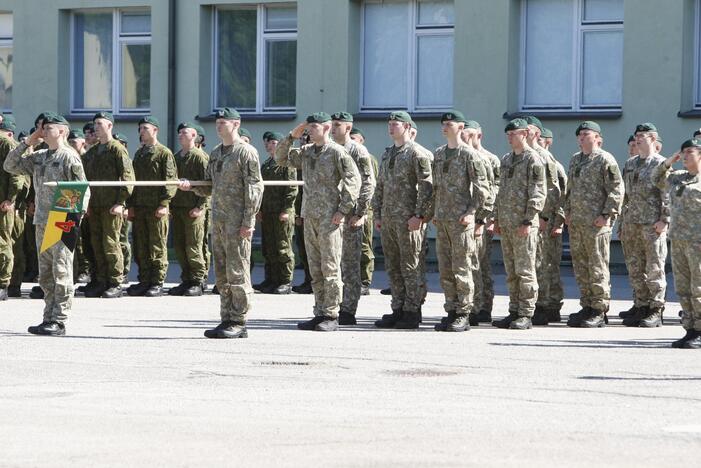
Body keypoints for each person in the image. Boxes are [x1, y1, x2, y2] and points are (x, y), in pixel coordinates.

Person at [180, 107, 264, 338]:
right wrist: (192, 185)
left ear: (236, 124)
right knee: (222, 274)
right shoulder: (216, 152)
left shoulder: (246, 152)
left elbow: (254, 188)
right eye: (217, 122)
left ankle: (239, 320)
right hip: (219, 221)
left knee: (238, 272)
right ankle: (226, 318)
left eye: (223, 123)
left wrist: (248, 221)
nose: (219, 126)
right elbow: (210, 185)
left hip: (237, 221)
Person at [3, 114, 89, 335]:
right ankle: (47, 317)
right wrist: (28, 142)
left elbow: (82, 189)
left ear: (62, 131)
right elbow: (10, 165)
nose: (42, 131)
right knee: (46, 273)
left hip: (63, 217)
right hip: (42, 220)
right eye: (40, 128)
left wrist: (71, 218)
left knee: (61, 270)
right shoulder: (39, 156)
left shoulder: (69, 157)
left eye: (47, 128)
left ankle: (59, 320)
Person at [276, 112, 361, 331]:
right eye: (308, 128)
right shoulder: (306, 152)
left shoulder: (336, 152)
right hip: (310, 216)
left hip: (329, 217)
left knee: (330, 267)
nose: (309, 131)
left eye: (313, 127)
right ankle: (319, 311)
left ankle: (332, 314)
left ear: (325, 128)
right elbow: (281, 158)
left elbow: (354, 181)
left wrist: (343, 210)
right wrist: (291, 136)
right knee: (315, 268)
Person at [430, 111, 490, 332]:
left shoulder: (469, 155)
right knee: (445, 268)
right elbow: (435, 187)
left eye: (449, 124)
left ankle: (464, 312)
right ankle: (451, 310)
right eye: (443, 124)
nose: (445, 127)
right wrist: (433, 211)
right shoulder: (439, 154)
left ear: (460, 128)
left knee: (462, 267)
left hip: (461, 221)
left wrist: (472, 211)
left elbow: (483, 188)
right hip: (443, 219)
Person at [373, 111, 433, 329]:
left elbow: (427, 188)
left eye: (396, 124)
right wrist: (378, 214)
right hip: (390, 219)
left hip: (409, 220)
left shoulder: (418, 154)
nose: (391, 127)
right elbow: (380, 185)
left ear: (408, 127)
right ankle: (397, 308)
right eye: (389, 124)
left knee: (411, 266)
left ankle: (412, 310)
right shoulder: (388, 153)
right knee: (393, 266)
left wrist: (419, 216)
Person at [564, 121, 624, 328]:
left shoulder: (605, 159)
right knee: (581, 267)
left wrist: (607, 214)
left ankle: (599, 309)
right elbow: (569, 189)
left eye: (586, 134)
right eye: (579, 134)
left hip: (596, 223)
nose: (581, 137)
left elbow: (617, 189)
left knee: (597, 266)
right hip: (578, 223)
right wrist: (568, 212)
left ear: (598, 138)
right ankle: (587, 306)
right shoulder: (575, 160)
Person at [491, 118, 546, 330]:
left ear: (524, 134)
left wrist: (528, 219)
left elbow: (538, 192)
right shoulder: (506, 160)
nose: (510, 138)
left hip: (524, 224)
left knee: (525, 270)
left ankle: (526, 313)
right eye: (508, 134)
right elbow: (501, 191)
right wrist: (497, 218)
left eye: (513, 134)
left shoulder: (533, 159)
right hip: (507, 223)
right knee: (511, 271)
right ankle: (513, 310)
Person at [619, 123, 669, 327]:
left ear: (653, 140)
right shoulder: (630, 164)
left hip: (652, 224)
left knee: (655, 267)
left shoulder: (661, 164)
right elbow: (625, 196)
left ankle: (656, 309)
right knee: (635, 267)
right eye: (636, 135)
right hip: (632, 224)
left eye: (643, 136)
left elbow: (668, 195)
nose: (638, 139)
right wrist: (622, 223)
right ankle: (641, 306)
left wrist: (664, 220)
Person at [652, 139, 701, 348]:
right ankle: (690, 329)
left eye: (690, 152)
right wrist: (669, 161)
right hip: (679, 240)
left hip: (698, 242)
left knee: (698, 287)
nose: (685, 156)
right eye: (683, 152)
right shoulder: (678, 178)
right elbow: (656, 178)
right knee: (683, 287)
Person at [82, 112, 135, 298]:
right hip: (95, 205)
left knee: (111, 243)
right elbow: (85, 179)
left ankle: (115, 281)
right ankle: (101, 280)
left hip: (111, 206)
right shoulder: (93, 152)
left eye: (99, 124)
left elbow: (128, 178)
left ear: (110, 126)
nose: (96, 127)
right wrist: (86, 203)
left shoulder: (117, 149)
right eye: (95, 124)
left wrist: (121, 202)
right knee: (96, 244)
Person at [330, 112, 376, 324]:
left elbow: (368, 183)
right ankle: (330, 307)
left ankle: (348, 310)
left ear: (348, 128)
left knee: (349, 264)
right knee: (331, 264)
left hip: (350, 216)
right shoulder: (329, 149)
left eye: (337, 125)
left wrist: (360, 213)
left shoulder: (357, 151)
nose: (332, 128)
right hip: (330, 216)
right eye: (332, 124)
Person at [126, 116, 177, 297]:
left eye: (145, 128)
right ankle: (144, 280)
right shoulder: (139, 153)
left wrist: (164, 203)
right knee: (141, 245)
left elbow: (171, 180)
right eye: (140, 129)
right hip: (140, 207)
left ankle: (157, 282)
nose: (142, 132)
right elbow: (133, 181)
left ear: (155, 130)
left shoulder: (164, 153)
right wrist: (130, 205)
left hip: (156, 207)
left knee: (156, 245)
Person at [524, 116, 566, 325]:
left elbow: (554, 191)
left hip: (543, 220)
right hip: (528, 220)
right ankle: (534, 304)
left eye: (528, 129)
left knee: (544, 264)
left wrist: (547, 217)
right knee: (531, 264)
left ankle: (546, 305)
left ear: (537, 134)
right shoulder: (523, 156)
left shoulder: (544, 157)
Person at [461, 120, 500, 324]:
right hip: (462, 219)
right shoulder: (461, 156)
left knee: (481, 265)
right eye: (464, 134)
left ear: (479, 136)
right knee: (467, 264)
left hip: (481, 220)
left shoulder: (490, 159)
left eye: (470, 134)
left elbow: (495, 190)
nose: (466, 138)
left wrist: (489, 219)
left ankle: (484, 305)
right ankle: (471, 305)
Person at [169, 122, 210, 297]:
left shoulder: (199, 157)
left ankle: (198, 280)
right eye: (179, 132)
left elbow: (208, 184)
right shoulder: (177, 157)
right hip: (178, 207)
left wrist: (200, 206)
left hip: (193, 207)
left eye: (184, 132)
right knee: (179, 245)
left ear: (194, 136)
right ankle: (186, 279)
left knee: (194, 245)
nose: (180, 135)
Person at [255, 131, 297, 295]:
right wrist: (259, 209)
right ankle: (271, 279)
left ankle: (285, 281)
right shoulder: (266, 164)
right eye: (266, 142)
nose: (268, 145)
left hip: (281, 211)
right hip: (267, 211)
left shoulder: (287, 163)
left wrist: (286, 209)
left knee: (282, 247)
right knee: (269, 247)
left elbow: (292, 188)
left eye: (272, 142)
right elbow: (260, 189)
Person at [350, 127, 378, 295]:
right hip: (348, 207)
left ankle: (365, 281)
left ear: (362, 141)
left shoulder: (367, 158)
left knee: (364, 245)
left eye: (355, 138)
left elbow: (372, 185)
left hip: (365, 208)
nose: (352, 141)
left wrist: (365, 210)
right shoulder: (346, 157)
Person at [0, 118, 22, 300]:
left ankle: (3, 283)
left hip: (2, 203)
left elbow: (16, 174)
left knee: (3, 243)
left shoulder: (6, 143)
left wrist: (10, 198)